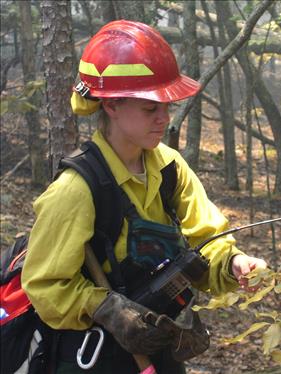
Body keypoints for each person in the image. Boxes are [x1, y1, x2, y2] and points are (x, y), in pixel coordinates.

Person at [21, 20, 267, 374]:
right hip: (92, 358)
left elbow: (206, 239)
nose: (164, 119)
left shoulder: (170, 167)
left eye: (166, 106)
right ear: (112, 105)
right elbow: (44, 286)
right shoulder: (76, 190)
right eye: (151, 108)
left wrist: (233, 263)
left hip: (161, 355)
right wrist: (106, 308)